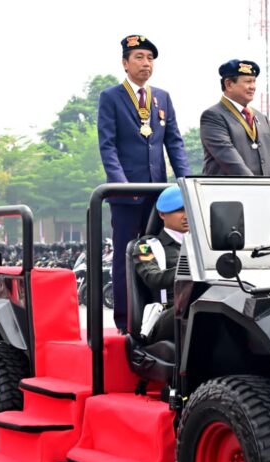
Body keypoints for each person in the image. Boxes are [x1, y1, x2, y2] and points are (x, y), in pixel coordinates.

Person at [97, 34, 191, 333]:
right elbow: (108, 147)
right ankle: (126, 321)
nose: (145, 63)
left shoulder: (162, 97)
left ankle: (156, 319)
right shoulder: (111, 97)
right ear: (125, 63)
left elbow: (174, 144)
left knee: (158, 255)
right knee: (127, 254)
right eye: (139, 57)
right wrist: (122, 185)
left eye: (150, 58)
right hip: (127, 196)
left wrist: (186, 183)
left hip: (158, 194)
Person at [200, 59, 270, 176]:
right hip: (227, 192)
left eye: (254, 81)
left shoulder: (261, 118)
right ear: (229, 84)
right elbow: (231, 161)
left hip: (258, 191)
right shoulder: (213, 116)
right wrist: (255, 186)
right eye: (248, 82)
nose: (253, 87)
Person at [132, 186, 188, 344]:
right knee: (193, 305)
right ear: (162, 214)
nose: (186, 216)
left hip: (204, 304)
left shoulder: (205, 244)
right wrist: (191, 269)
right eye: (180, 210)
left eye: (190, 209)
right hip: (168, 312)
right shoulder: (146, 246)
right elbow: (153, 277)